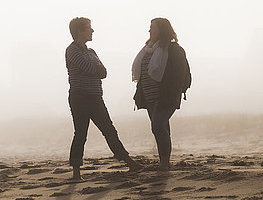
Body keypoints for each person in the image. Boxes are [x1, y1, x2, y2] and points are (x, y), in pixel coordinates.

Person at [66, 17, 143, 180]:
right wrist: (97, 69)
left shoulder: (91, 52)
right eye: (89, 28)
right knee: (81, 133)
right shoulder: (72, 50)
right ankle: (76, 172)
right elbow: (90, 69)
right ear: (79, 31)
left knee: (109, 130)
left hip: (95, 97)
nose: (92, 31)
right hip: (79, 97)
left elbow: (104, 73)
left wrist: (97, 70)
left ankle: (129, 162)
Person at [132, 18, 191, 171]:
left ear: (162, 30)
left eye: (153, 27)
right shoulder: (147, 50)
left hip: (166, 96)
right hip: (149, 97)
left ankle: (164, 164)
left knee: (157, 126)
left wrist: (174, 93)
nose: (149, 30)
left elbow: (182, 74)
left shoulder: (174, 50)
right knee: (161, 127)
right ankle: (164, 161)